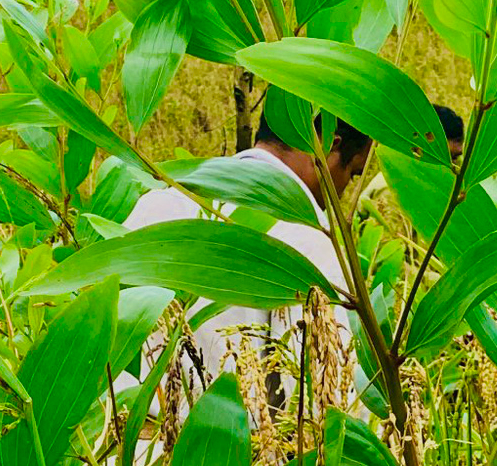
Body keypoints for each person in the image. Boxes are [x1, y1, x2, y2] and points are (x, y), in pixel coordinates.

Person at [122, 114, 373, 420]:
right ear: (327, 147)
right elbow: (323, 404)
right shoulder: (310, 238)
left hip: (117, 454)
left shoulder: (160, 202)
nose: (342, 192)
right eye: (351, 174)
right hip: (227, 459)